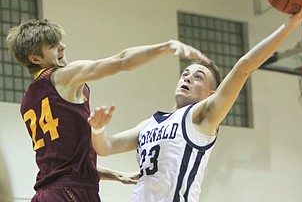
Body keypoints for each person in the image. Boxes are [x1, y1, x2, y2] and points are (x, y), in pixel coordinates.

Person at [88, 0, 302, 202]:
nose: (188, 78)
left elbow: (243, 68)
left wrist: (288, 26)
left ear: (210, 94)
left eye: (199, 77)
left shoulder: (201, 118)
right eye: (185, 74)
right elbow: (106, 147)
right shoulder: (149, 124)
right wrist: (98, 128)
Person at [6, 19, 210, 202]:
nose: (62, 47)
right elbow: (121, 61)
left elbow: (65, 163)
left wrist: (115, 175)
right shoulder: (63, 76)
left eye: (59, 41)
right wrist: (166, 46)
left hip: (47, 193)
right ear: (35, 59)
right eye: (53, 46)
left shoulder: (28, 99)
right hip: (71, 194)